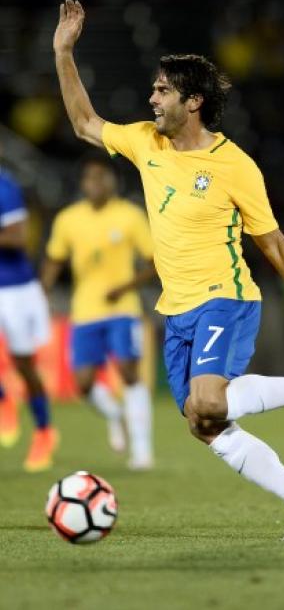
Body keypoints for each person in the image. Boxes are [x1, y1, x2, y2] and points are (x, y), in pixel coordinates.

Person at [53, 0, 284, 540]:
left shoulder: (234, 165)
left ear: (193, 101)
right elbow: (85, 123)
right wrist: (63, 52)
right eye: (154, 89)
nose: (151, 98)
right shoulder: (144, 141)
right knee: (205, 423)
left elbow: (269, 237)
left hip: (225, 297)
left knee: (207, 400)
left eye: (162, 91)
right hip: (175, 309)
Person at [42, 155, 155, 469]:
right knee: (83, 384)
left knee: (130, 374)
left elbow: (154, 262)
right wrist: (43, 289)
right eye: (91, 178)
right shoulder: (68, 219)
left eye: (103, 177)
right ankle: (115, 415)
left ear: (113, 182)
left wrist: (125, 287)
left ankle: (142, 451)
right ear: (83, 183)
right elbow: (54, 259)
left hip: (123, 309)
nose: (97, 184)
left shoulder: (130, 216)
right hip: (85, 312)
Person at [0, 169, 58, 472]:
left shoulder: (4, 185)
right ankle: (3, 400)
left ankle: (44, 431)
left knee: (24, 365)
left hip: (16, 289)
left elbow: (17, 236)